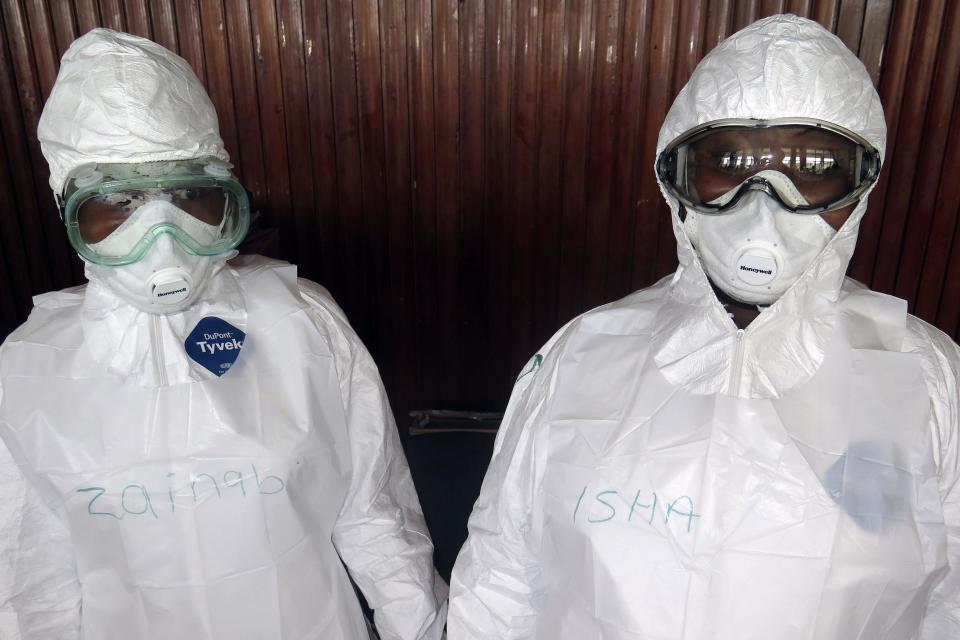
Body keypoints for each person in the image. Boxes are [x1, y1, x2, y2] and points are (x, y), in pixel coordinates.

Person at [448, 14, 959, 639]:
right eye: (727, 163)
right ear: (678, 179)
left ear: (860, 188)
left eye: (812, 167)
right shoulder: (584, 355)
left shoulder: (923, 377)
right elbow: (503, 570)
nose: (764, 204)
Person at [0, 29, 446, 640]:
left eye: (189, 196)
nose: (162, 237)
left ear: (227, 197)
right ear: (70, 210)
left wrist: (415, 626)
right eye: (118, 204)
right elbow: (31, 576)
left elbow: (375, 512)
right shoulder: (31, 368)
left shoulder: (303, 324)